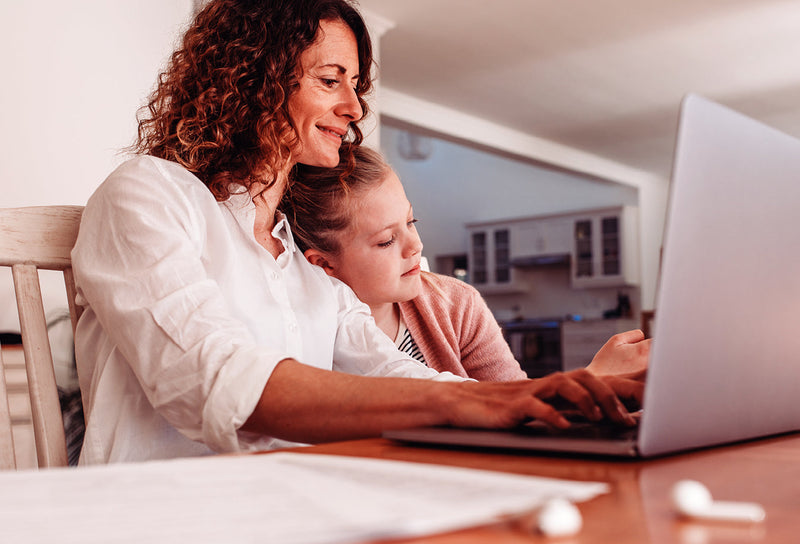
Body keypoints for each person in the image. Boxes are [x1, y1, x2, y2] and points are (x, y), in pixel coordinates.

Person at [71, 0, 644, 465]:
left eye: (355, 85)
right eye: (330, 80)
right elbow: (218, 381)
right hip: (160, 517)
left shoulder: (305, 262)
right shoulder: (148, 194)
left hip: (292, 509)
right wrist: (480, 400)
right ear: (256, 80)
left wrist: (559, 396)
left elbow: (391, 370)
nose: (353, 108)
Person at [283, 143, 650, 381]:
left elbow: (513, 398)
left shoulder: (457, 304)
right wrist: (591, 380)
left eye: (411, 222)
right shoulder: (301, 333)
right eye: (386, 240)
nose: (415, 245)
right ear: (323, 264)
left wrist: (590, 383)